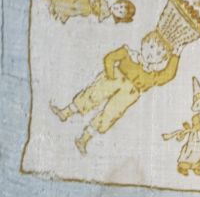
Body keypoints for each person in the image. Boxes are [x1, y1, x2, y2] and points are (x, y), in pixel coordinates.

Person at [50, 30, 179, 155]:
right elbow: (110, 58)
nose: (152, 53)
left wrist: (175, 56)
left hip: (128, 94)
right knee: (91, 96)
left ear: (161, 61)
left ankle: (84, 138)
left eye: (158, 54)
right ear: (143, 42)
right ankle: (66, 112)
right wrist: (110, 74)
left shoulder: (152, 75)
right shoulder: (128, 54)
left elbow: (167, 75)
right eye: (151, 46)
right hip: (114, 78)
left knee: (109, 115)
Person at [163, 77, 200, 177]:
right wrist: (192, 128)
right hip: (195, 139)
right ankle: (183, 167)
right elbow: (196, 126)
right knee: (190, 152)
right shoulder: (197, 117)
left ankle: (196, 167)